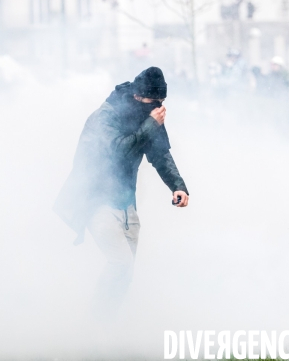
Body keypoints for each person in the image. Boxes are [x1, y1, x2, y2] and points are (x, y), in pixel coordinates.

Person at [53, 66, 189, 317]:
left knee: (125, 274)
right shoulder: (105, 116)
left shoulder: (148, 115)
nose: (159, 106)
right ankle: (94, 324)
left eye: (162, 101)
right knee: (120, 264)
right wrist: (151, 124)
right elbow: (117, 153)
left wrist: (178, 186)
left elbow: (160, 154)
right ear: (138, 96)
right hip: (96, 200)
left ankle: (107, 324)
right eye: (154, 100)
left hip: (126, 205)